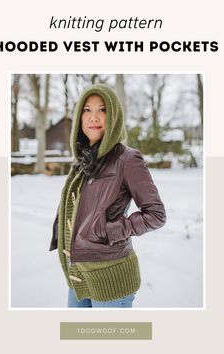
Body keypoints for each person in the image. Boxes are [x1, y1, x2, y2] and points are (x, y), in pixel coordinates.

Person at [49, 83, 166, 308]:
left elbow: (156, 214)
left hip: (111, 280)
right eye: (87, 110)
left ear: (113, 117)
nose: (94, 117)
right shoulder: (82, 161)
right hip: (79, 276)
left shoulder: (127, 159)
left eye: (102, 110)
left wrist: (108, 230)